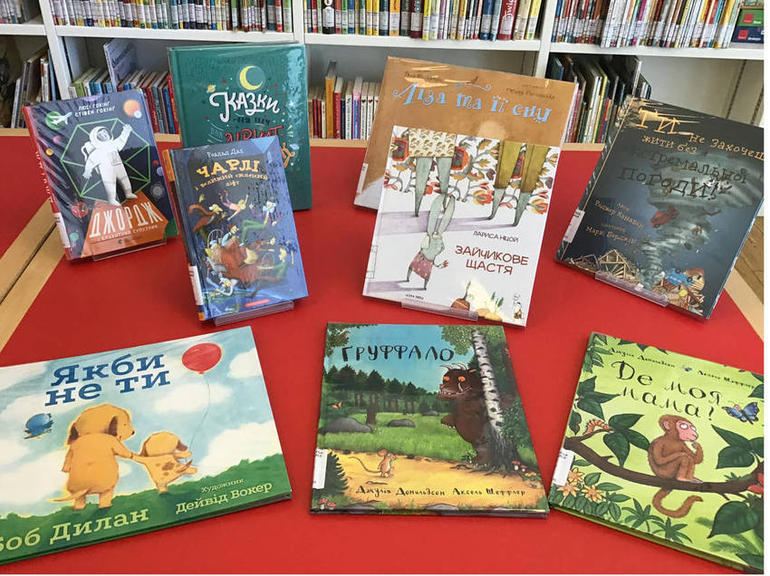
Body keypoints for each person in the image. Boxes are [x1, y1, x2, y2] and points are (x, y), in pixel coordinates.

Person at [82, 125, 136, 207]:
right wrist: (87, 171)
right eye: (101, 135)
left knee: (125, 179)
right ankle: (112, 199)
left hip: (119, 166)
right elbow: (91, 161)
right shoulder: (98, 151)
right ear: (96, 138)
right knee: (110, 185)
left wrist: (126, 131)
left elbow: (122, 139)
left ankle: (128, 192)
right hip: (106, 172)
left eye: (105, 132)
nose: (104, 135)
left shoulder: (114, 144)